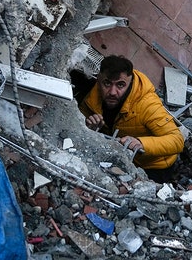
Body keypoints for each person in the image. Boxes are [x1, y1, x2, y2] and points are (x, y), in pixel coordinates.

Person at [79, 55, 184, 183]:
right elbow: (78, 124)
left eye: (120, 85)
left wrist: (141, 143)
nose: (112, 92)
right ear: (99, 79)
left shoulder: (147, 104)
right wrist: (90, 127)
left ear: (130, 83)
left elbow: (177, 140)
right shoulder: (93, 98)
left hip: (154, 166)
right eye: (107, 83)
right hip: (121, 156)